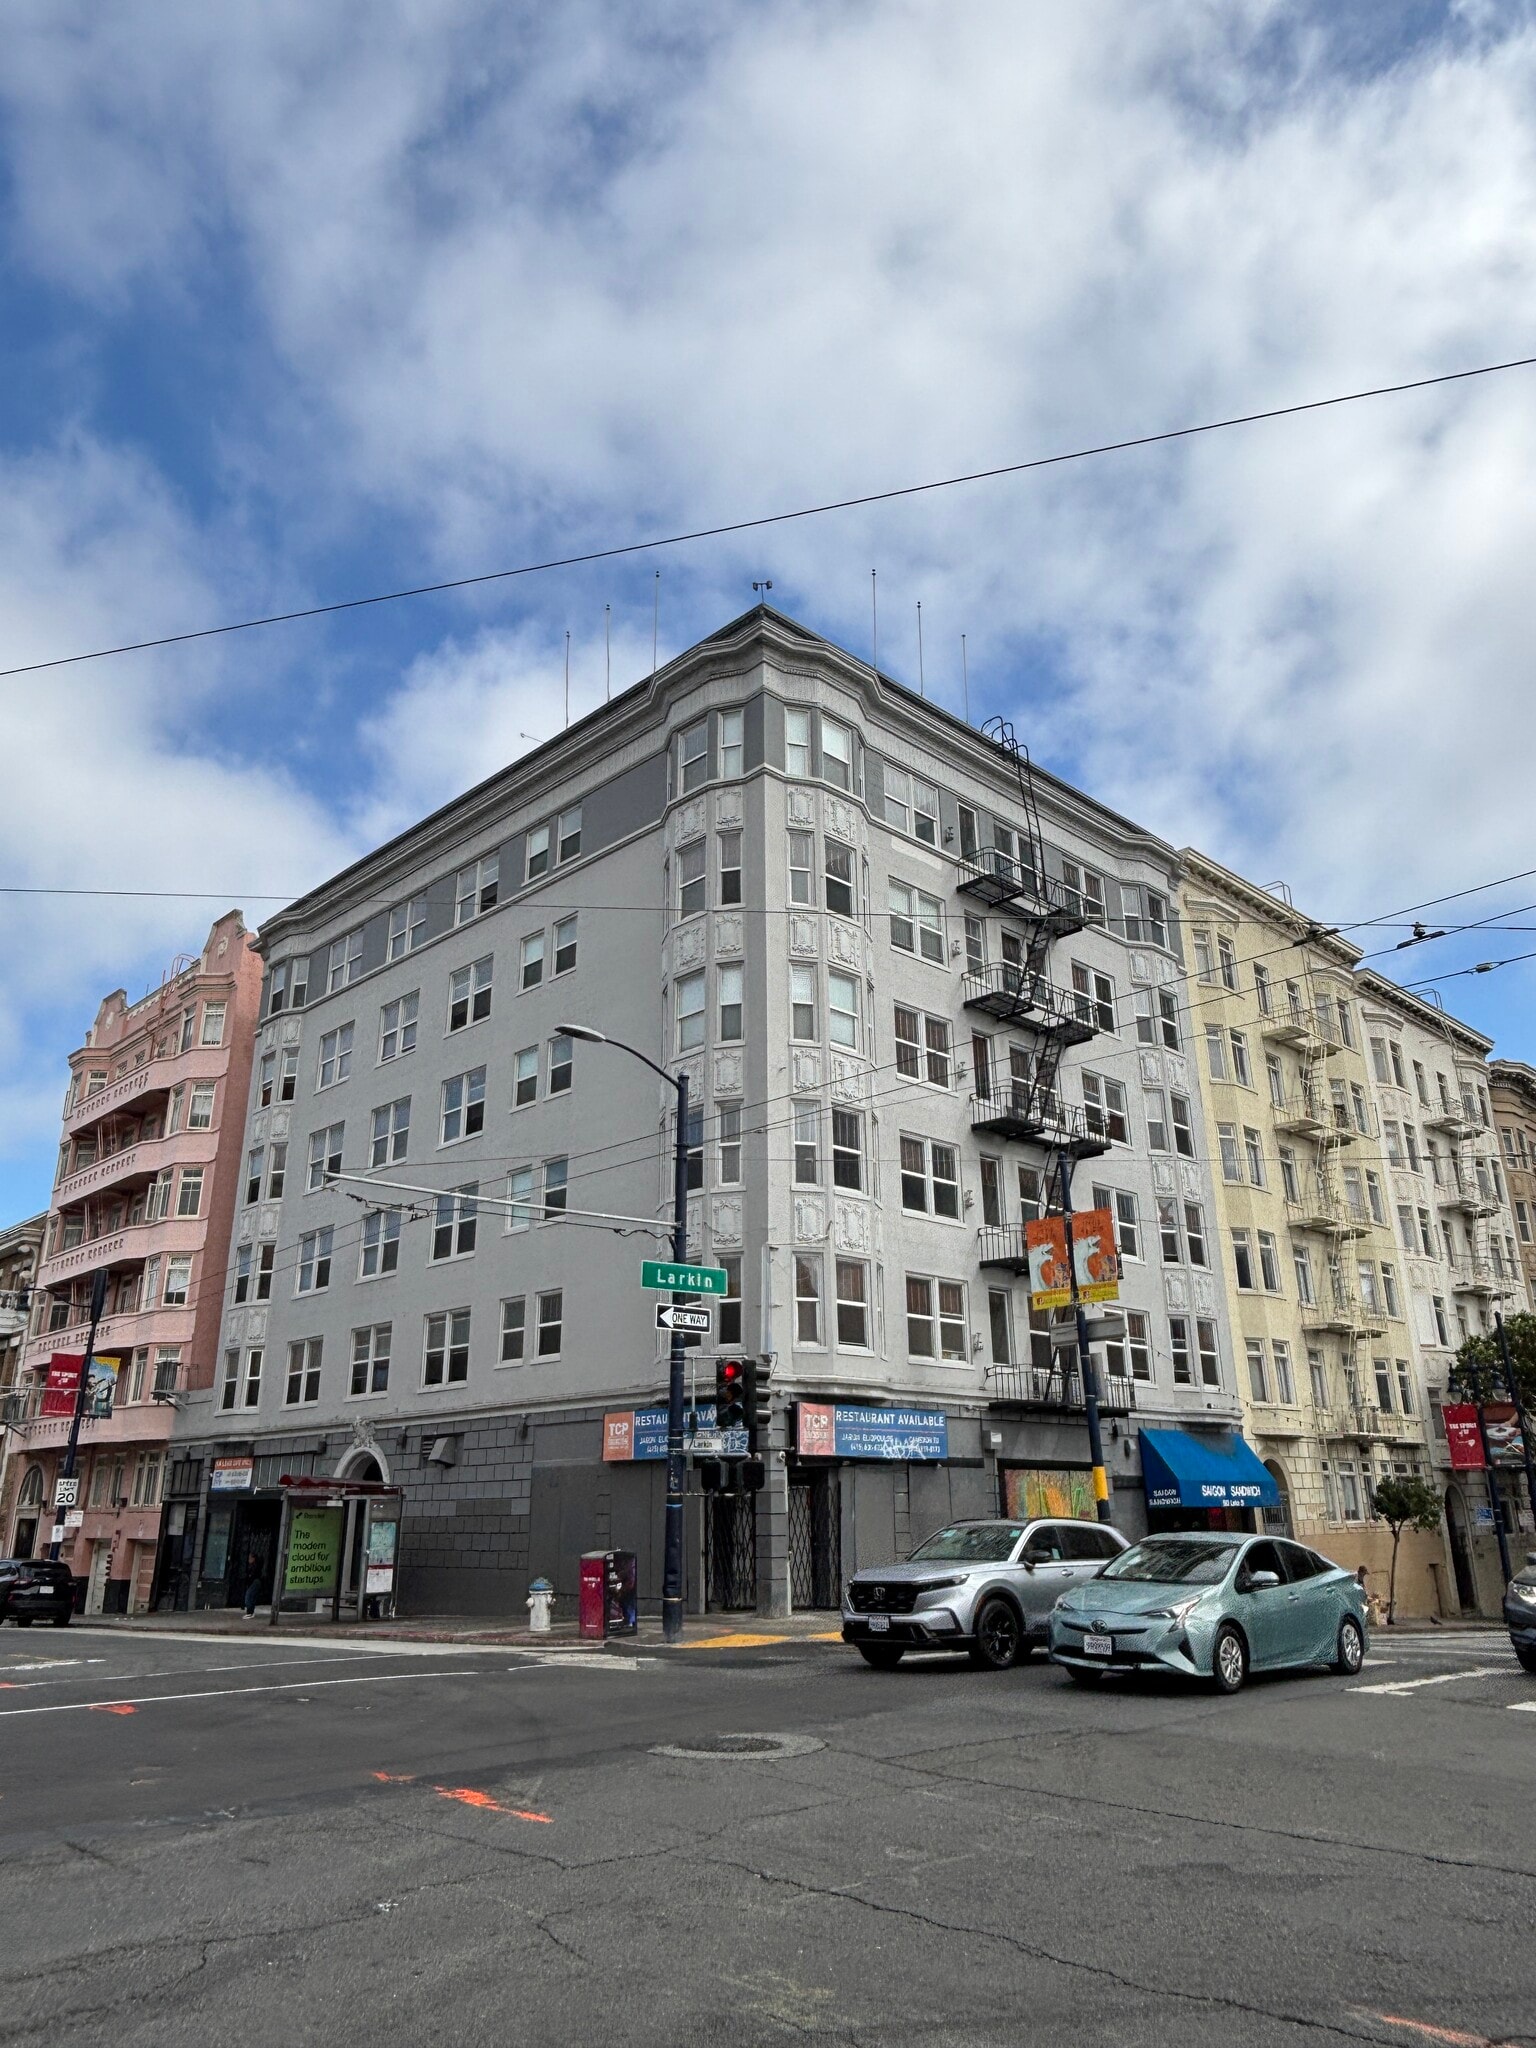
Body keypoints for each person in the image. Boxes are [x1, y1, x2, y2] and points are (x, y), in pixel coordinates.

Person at [243, 1552, 262, 1618]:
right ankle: (251, 1611)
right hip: (255, 1581)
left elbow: (252, 1575)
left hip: (254, 1581)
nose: (249, 1559)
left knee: (248, 1596)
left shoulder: (254, 1566)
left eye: (250, 1558)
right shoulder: (254, 1565)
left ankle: (249, 1612)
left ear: (253, 1558)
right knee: (251, 1597)